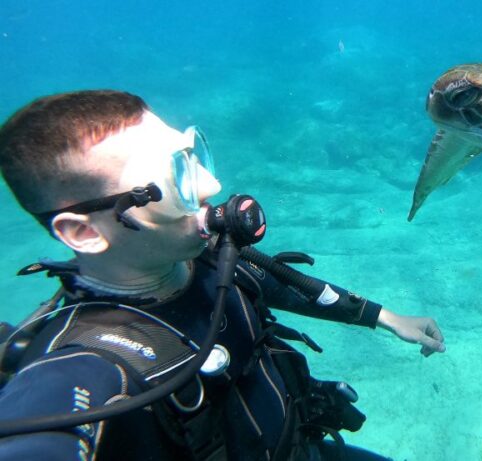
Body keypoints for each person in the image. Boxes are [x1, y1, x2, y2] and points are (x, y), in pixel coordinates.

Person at [0, 90, 446, 460]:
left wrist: (384, 317)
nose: (211, 187)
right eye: (171, 180)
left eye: (190, 158)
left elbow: (274, 281)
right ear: (84, 232)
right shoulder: (82, 367)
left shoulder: (206, 258)